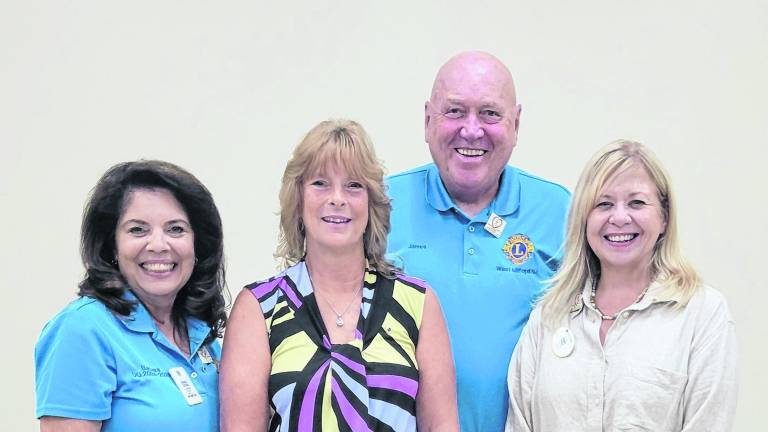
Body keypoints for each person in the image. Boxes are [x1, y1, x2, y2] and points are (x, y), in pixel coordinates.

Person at [220, 119, 458, 432]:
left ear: (372, 203)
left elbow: (440, 427)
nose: (337, 198)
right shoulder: (259, 308)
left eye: (354, 185)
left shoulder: (418, 302)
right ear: (299, 198)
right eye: (320, 183)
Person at [386, 51, 570, 430]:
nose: (472, 130)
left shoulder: (561, 212)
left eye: (489, 113)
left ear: (516, 123)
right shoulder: (379, 206)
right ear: (427, 120)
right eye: (455, 111)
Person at [506, 140, 737, 431]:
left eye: (636, 203)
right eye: (603, 204)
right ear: (584, 218)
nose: (619, 217)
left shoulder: (702, 314)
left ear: (664, 217)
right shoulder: (549, 315)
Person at [35, 160, 227, 432]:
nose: (159, 245)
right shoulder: (83, 330)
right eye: (138, 229)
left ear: (198, 246)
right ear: (111, 244)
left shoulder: (201, 335)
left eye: (176, 229)